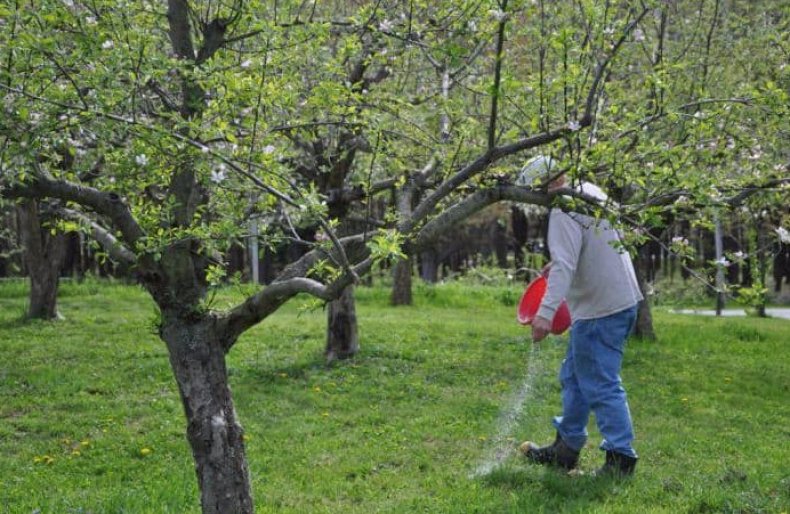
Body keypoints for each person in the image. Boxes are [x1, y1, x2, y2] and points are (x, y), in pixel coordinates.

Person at [518, 158, 644, 476]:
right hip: (617, 301)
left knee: (601, 383)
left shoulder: (562, 209)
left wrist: (545, 314)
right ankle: (566, 448)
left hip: (601, 309)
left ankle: (620, 459)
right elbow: (585, 248)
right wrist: (558, 266)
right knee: (574, 377)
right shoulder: (588, 192)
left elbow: (564, 265)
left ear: (543, 186)